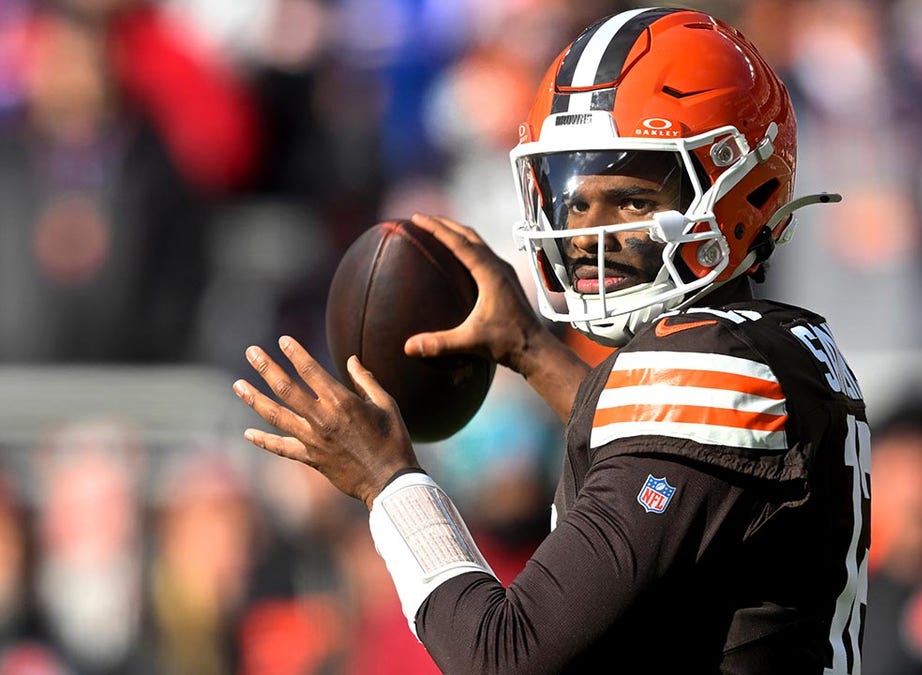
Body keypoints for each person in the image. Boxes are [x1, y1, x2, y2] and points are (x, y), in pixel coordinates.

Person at [232, 7, 868, 673]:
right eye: (575, 198)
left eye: (630, 198)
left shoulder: (712, 371)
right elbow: (652, 454)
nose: (591, 231)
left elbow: (505, 656)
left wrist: (386, 479)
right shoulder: (786, 349)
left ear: (751, 188)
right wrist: (532, 349)